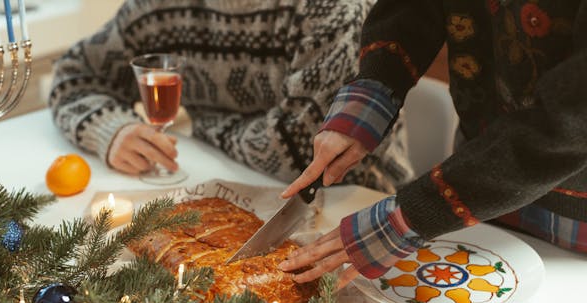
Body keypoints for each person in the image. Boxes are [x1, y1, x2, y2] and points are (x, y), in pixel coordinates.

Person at [279, 0, 587, 288]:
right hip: (475, 189)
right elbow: (412, 9)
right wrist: (366, 104)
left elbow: (571, 121)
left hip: (575, 222)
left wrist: (414, 213)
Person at [48, 0, 413, 193]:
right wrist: (111, 131)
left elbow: (300, 153)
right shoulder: (155, 7)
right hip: (221, 185)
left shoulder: (336, 8)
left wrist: (200, 126)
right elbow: (74, 76)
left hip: (355, 203)